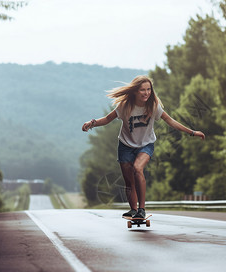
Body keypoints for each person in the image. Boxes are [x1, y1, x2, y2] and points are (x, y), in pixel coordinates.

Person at [82, 75, 205, 218]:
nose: (146, 93)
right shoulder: (125, 106)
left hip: (146, 145)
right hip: (125, 145)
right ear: (135, 91)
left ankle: (142, 209)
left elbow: (170, 121)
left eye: (149, 89)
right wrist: (92, 123)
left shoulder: (153, 107)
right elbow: (107, 119)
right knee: (129, 181)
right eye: (142, 90)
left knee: (137, 168)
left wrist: (192, 132)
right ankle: (133, 210)